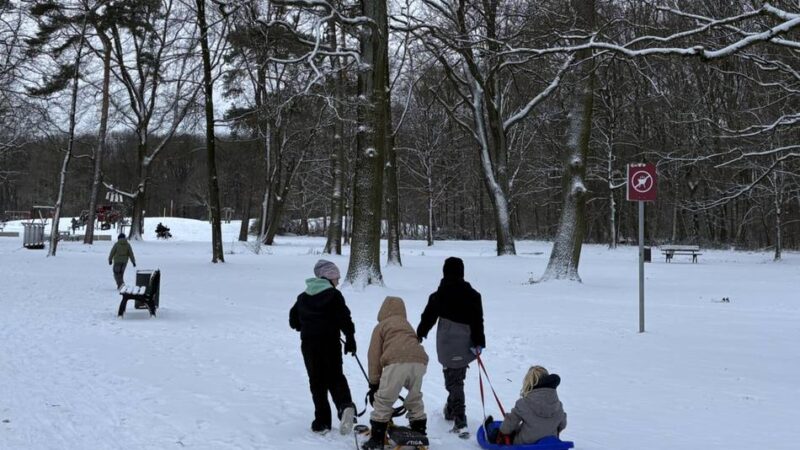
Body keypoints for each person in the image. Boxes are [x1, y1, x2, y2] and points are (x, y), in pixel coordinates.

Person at [416, 256, 485, 434]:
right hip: (465, 342)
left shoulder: (439, 295)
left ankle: (460, 417)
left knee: (454, 380)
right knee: (456, 377)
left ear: (445, 272)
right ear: (462, 273)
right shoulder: (473, 296)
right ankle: (451, 408)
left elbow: (428, 317)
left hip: (446, 343)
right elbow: (478, 321)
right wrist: (478, 342)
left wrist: (420, 333)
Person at [289, 259, 357, 435]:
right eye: (337, 278)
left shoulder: (303, 297)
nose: (338, 281)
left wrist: (305, 326)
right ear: (329, 277)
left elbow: (293, 320)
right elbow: (344, 318)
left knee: (316, 381)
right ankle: (345, 407)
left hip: (309, 345)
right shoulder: (334, 295)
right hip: (330, 343)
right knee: (335, 376)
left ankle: (322, 421)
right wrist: (350, 338)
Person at [362, 296, 429, 450]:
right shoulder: (407, 325)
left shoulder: (381, 326)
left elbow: (374, 356)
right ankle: (419, 432)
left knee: (384, 399)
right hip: (419, 360)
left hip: (397, 361)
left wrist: (374, 383)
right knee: (415, 397)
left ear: (383, 311)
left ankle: (377, 439)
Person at [491, 365, 567, 445]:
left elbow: (508, 426)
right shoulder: (558, 405)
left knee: (502, 433)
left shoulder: (523, 403)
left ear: (529, 383)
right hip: (548, 444)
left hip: (526, 444)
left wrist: (502, 431)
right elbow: (562, 425)